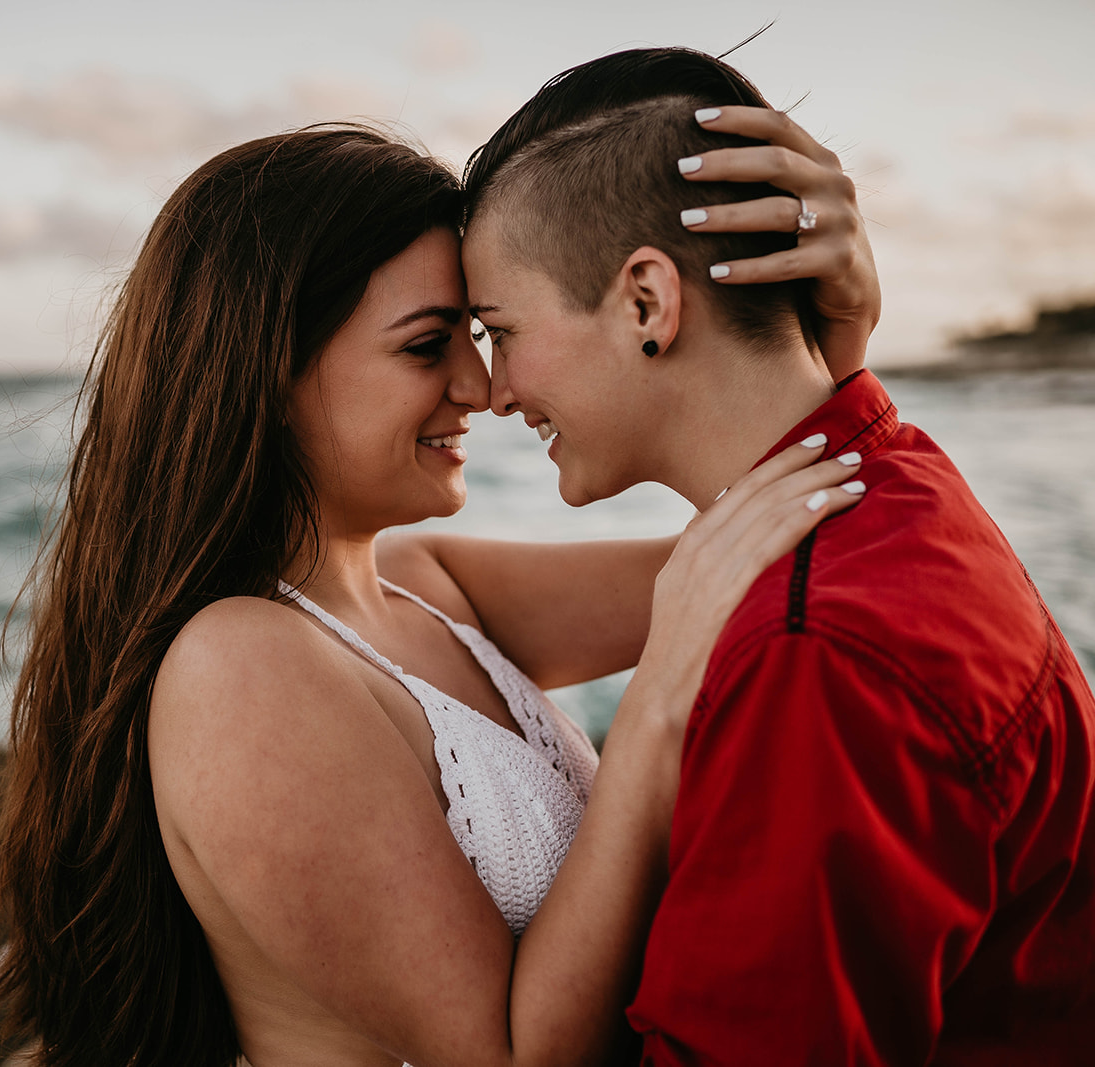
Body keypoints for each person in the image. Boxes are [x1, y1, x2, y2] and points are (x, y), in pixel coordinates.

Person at [0, 73, 880, 1067]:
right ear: (266, 370)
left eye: (483, 335)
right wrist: (657, 704)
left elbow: (791, 545)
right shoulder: (239, 666)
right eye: (426, 346)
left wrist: (825, 354)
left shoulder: (431, 586)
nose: (482, 387)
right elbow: (505, 1054)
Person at [461, 48, 1095, 1064]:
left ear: (645, 302)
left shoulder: (814, 653)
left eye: (501, 331)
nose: (493, 392)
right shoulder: (897, 483)